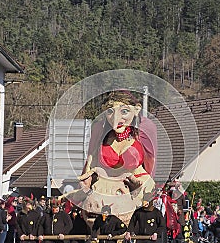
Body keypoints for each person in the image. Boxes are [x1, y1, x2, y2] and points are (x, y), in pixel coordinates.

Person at [68, 90, 158, 222]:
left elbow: (150, 160)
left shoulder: (142, 133)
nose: (116, 119)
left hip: (131, 184)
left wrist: (143, 186)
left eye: (124, 111)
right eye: (110, 112)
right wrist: (86, 178)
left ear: (136, 110)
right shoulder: (100, 132)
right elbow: (91, 159)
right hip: (104, 184)